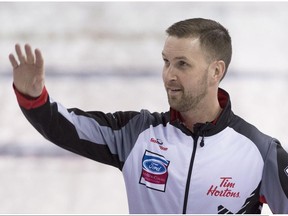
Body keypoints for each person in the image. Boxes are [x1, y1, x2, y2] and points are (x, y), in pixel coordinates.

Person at [9, 18, 288, 214]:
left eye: (182, 64)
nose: (169, 75)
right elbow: (67, 128)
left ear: (216, 71)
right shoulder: (137, 133)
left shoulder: (261, 151)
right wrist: (34, 97)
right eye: (166, 62)